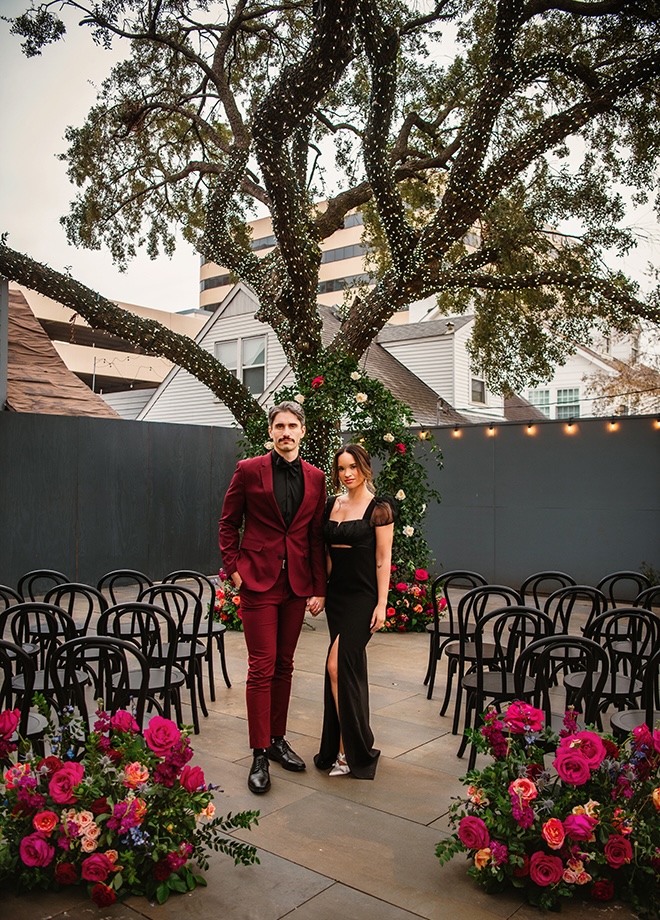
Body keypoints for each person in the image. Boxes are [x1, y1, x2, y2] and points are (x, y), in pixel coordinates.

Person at [218, 401, 326, 794]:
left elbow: (315, 536)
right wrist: (233, 568)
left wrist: (319, 587)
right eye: (279, 426)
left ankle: (278, 740)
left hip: (296, 585)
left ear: (302, 431)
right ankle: (259, 752)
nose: (286, 432)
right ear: (271, 432)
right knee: (261, 667)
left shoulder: (316, 478)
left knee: (284, 665)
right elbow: (228, 523)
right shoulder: (248, 470)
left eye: (292, 426)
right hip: (258, 582)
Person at [313, 443, 395, 779]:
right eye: (341, 468)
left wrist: (382, 604)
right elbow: (327, 555)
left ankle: (349, 752)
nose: (347, 474)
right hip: (337, 598)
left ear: (365, 468)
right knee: (346, 671)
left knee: (336, 665)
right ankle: (349, 744)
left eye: (353, 467)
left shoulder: (379, 509)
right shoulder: (332, 504)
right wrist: (320, 592)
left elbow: (383, 558)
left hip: (363, 597)